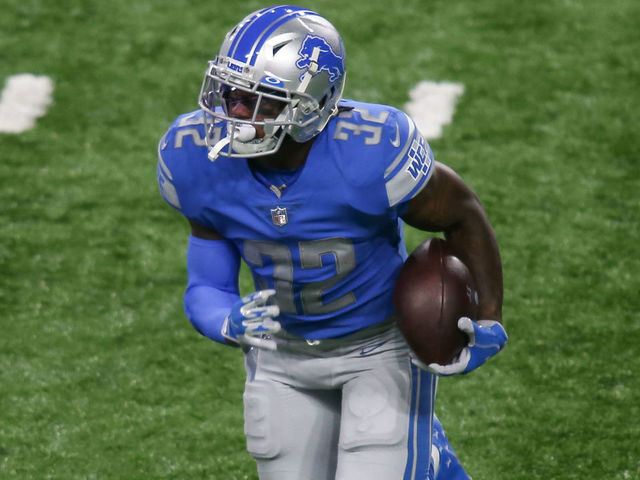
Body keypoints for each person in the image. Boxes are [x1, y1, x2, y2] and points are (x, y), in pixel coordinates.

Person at [157, 5, 507, 480]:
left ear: (311, 104)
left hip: (379, 347)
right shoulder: (193, 157)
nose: (235, 113)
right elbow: (206, 283)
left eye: (259, 100)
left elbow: (462, 214)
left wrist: (487, 316)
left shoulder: (370, 152)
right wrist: (224, 318)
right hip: (281, 355)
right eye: (231, 92)